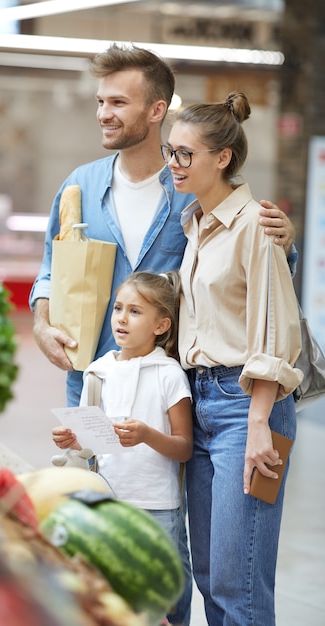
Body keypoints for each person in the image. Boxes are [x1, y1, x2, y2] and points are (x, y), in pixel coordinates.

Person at [29, 44, 297, 626]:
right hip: (98, 386)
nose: (103, 113)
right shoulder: (84, 186)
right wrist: (42, 320)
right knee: (109, 547)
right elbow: (51, 265)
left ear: (156, 109)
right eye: (100, 101)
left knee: (197, 552)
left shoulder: (196, 199)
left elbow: (265, 293)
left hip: (181, 393)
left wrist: (285, 241)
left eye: (117, 102)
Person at [162, 91, 303, 626]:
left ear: (221, 158)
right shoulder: (195, 223)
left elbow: (273, 332)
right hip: (198, 401)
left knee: (237, 581)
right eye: (170, 151)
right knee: (207, 577)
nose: (173, 164)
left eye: (184, 154)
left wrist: (260, 424)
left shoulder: (257, 225)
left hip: (246, 408)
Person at [52, 271, 193, 623]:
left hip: (158, 507)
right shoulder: (97, 373)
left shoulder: (169, 374)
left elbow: (184, 447)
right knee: (114, 598)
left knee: (161, 599)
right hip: (109, 504)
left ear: (161, 325)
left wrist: (147, 435)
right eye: (118, 308)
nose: (121, 318)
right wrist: (73, 440)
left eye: (135, 311)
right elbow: (90, 447)